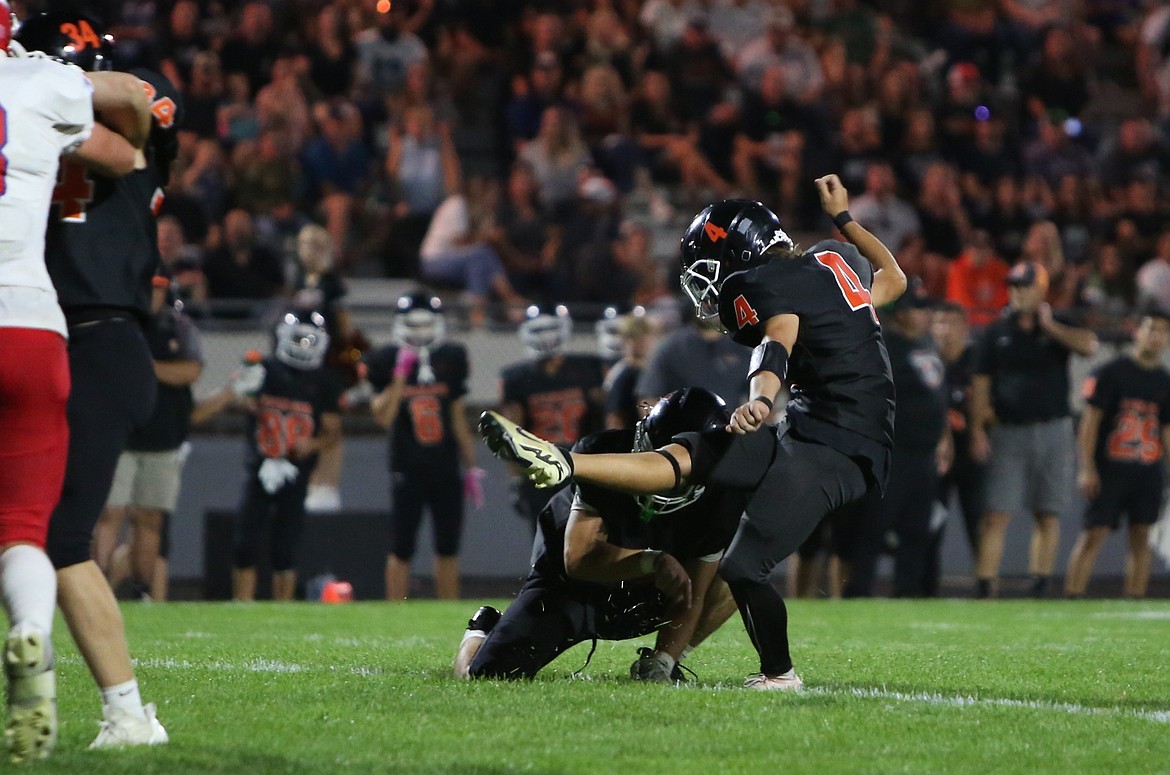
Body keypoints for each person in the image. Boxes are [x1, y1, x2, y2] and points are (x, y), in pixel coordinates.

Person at [480, 176, 907, 689]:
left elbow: (777, 339)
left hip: (839, 445)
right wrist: (845, 220)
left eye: (706, 266)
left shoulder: (767, 285)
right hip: (818, 428)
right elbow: (894, 278)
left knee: (744, 564)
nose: (705, 283)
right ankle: (564, 461)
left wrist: (761, 398)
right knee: (698, 452)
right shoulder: (833, 260)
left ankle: (780, 674)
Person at [14, 10, 174, 750]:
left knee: (57, 536)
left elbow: (135, 117)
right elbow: (139, 119)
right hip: (82, 339)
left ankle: (127, 712)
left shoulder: (43, 96)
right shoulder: (95, 108)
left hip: (89, 339)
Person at [455, 389, 743, 682]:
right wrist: (651, 563)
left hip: (646, 592)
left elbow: (691, 594)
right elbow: (577, 560)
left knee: (738, 573)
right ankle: (483, 627)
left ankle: (664, 660)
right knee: (487, 674)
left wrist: (664, 662)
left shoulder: (723, 494)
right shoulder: (606, 449)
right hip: (572, 587)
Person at [968, 261, 1098, 598]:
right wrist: (978, 429)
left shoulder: (1058, 325)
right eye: (1013, 286)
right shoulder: (996, 331)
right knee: (997, 512)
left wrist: (1050, 326)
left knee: (1047, 512)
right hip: (1008, 430)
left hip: (1053, 429)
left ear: (1041, 290)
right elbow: (980, 384)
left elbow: (1089, 345)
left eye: (1024, 286)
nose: (1016, 292)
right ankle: (986, 585)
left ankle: (1039, 582)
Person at [363, 291, 483, 600]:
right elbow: (384, 416)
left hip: (444, 465)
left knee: (448, 546)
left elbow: (456, 416)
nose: (418, 332)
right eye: (411, 326)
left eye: (424, 325)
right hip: (407, 466)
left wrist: (471, 464)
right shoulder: (386, 358)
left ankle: (447, 613)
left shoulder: (451, 357)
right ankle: (394, 611)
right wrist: (401, 375)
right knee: (402, 546)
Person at [838, 280, 951, 598]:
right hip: (893, 454)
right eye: (918, 308)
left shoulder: (925, 345)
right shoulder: (883, 345)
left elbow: (936, 399)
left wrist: (943, 438)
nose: (925, 314)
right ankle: (858, 593)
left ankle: (908, 595)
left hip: (924, 455)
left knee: (916, 531)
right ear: (900, 313)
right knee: (873, 529)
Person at [94, 273, 202, 602]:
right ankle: (94, 587)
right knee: (110, 513)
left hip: (162, 439)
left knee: (150, 517)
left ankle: (143, 589)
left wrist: (146, 367)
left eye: (157, 288)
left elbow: (191, 371)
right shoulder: (120, 322)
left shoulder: (177, 326)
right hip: (121, 437)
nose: (152, 294)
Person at [230, 312, 343, 601]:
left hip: (297, 470)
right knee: (244, 544)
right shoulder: (265, 369)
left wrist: (313, 444)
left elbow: (332, 432)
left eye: (309, 339)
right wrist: (244, 387)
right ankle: (241, 607)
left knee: (286, 548)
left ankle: (284, 611)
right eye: (298, 338)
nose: (304, 344)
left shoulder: (324, 381)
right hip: (259, 466)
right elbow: (243, 401)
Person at [1064, 313, 1170, 599]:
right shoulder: (1111, 372)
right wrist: (1086, 467)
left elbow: (1167, 433)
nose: (1156, 336)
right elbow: (1090, 423)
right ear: (1137, 332)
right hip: (1110, 467)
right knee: (1093, 534)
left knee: (1142, 537)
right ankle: (1072, 596)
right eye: (1151, 329)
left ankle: (1134, 600)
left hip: (1147, 470)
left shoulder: (1164, 380)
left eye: (1163, 331)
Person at [500, 304, 605, 532]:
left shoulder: (588, 368)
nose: (545, 337)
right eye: (538, 331)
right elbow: (512, 432)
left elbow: (603, 419)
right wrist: (516, 479)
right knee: (545, 542)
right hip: (541, 467)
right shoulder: (517, 378)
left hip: (580, 464)